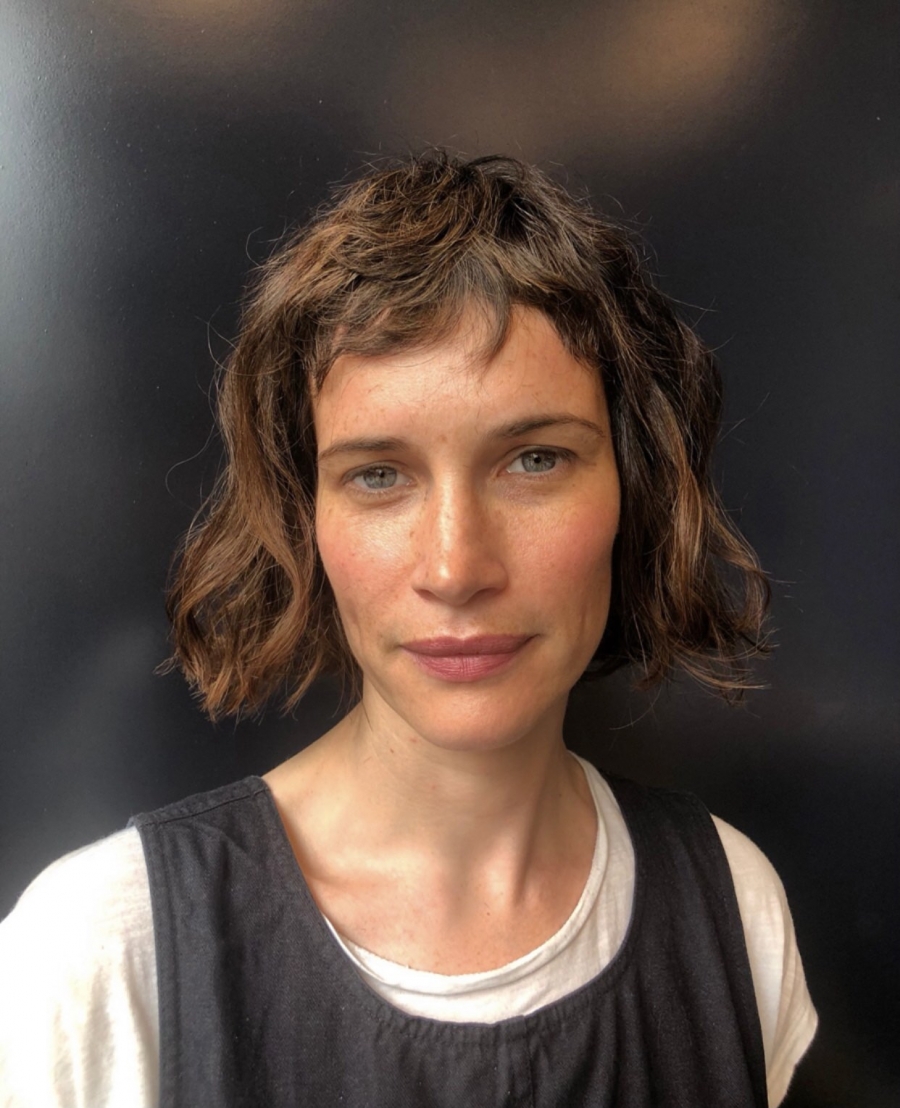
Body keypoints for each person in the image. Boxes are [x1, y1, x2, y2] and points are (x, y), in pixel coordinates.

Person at [0, 152, 817, 1107]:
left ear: (634, 490)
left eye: (536, 459)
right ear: (304, 517)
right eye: (378, 476)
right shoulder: (98, 957)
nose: (456, 568)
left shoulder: (734, 910)